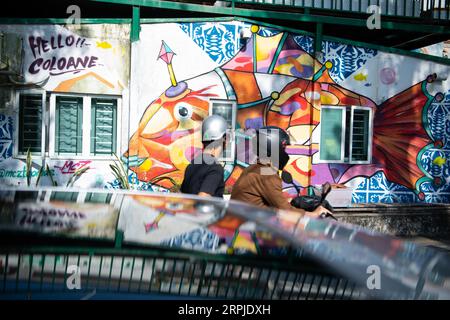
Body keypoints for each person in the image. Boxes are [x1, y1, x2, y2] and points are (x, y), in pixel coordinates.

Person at [231, 126, 329, 217]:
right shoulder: (268, 175)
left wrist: (286, 200)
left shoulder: (253, 169)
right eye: (284, 149)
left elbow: (260, 200)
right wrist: (314, 214)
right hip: (252, 228)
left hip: (243, 221)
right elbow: (286, 211)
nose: (286, 154)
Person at [181, 115, 227, 198]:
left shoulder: (191, 165)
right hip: (207, 211)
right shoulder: (215, 168)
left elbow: (182, 196)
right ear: (222, 139)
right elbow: (203, 197)